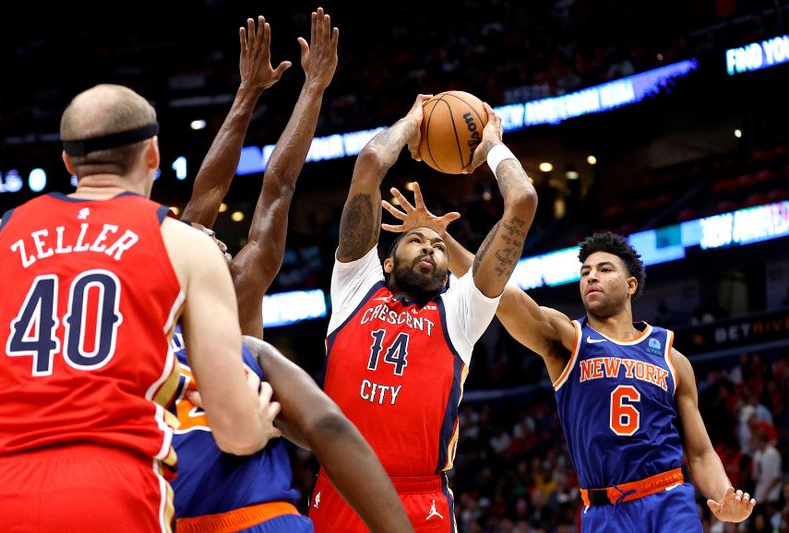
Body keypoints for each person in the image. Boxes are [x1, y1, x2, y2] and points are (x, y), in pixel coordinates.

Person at [0, 83, 278, 532]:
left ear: (68, 161)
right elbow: (236, 434)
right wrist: (256, 425)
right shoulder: (184, 244)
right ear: (153, 154)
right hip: (115, 489)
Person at [170, 10, 413, 532]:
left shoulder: (241, 282)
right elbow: (207, 193)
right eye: (200, 231)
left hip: (237, 495)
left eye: (210, 235)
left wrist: (314, 88)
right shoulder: (174, 282)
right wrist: (246, 93)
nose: (205, 231)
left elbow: (279, 184)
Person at [384, 192, 757, 532]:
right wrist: (443, 239)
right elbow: (502, 295)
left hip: (667, 500)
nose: (591, 276)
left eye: (604, 269)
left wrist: (724, 498)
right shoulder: (568, 339)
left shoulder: (671, 356)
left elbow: (700, 451)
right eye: (584, 272)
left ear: (631, 285)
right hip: (601, 510)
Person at [307, 95, 538, 532]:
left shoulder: (462, 310)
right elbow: (373, 161)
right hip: (340, 489)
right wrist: (412, 122)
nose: (430, 247)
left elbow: (522, 200)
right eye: (417, 241)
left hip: (421, 497)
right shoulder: (355, 284)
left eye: (437, 245)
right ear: (387, 261)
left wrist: (491, 148)